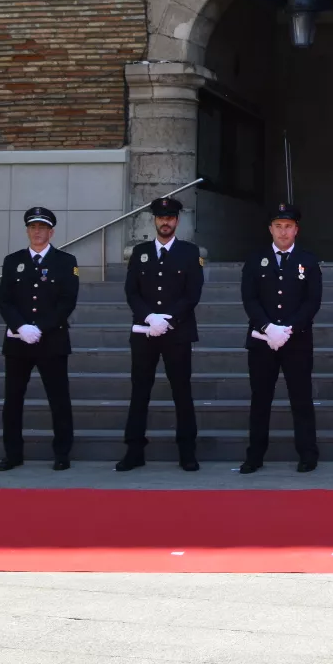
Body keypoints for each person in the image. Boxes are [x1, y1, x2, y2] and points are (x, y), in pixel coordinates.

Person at [118, 196, 205, 472]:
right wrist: (149, 317)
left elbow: (193, 293)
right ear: (154, 220)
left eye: (169, 218)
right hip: (144, 332)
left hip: (176, 332)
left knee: (182, 391)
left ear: (177, 221)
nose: (164, 222)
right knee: (139, 390)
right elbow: (132, 291)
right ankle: (134, 450)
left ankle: (187, 451)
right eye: (160, 217)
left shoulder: (190, 253)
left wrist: (168, 319)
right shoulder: (140, 252)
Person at [239, 203, 323, 474]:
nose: (283, 232)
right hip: (262, 341)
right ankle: (255, 455)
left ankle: (308, 454)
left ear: (296, 230)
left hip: (296, 341)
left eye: (288, 227)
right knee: (260, 399)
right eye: (278, 226)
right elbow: (249, 298)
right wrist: (267, 327)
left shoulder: (308, 261)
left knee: (301, 398)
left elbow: (312, 301)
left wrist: (288, 329)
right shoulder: (255, 259)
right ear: (270, 229)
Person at [0, 207, 79, 471]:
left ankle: (62, 452)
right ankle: (13, 453)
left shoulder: (66, 261)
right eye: (33, 227)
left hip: (51, 340)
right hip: (18, 342)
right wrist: (20, 326)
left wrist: (39, 327)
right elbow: (4, 299)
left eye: (42, 227)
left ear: (51, 231)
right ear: (27, 230)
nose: (37, 232)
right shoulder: (13, 261)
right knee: (13, 400)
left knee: (59, 399)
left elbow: (67, 302)